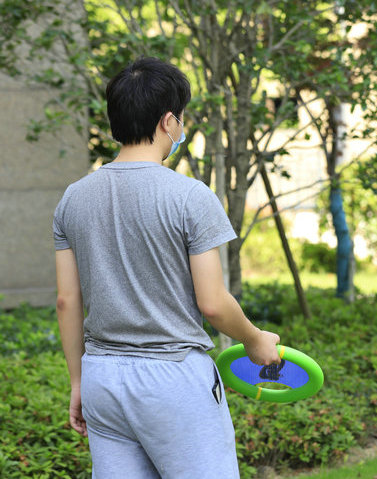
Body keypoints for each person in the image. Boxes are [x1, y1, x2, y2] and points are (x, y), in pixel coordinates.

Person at [53, 56, 281, 478]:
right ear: (169, 122)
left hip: (102, 378)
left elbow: (67, 301)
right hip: (173, 377)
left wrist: (77, 382)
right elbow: (211, 303)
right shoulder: (190, 196)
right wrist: (253, 340)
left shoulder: (73, 198)